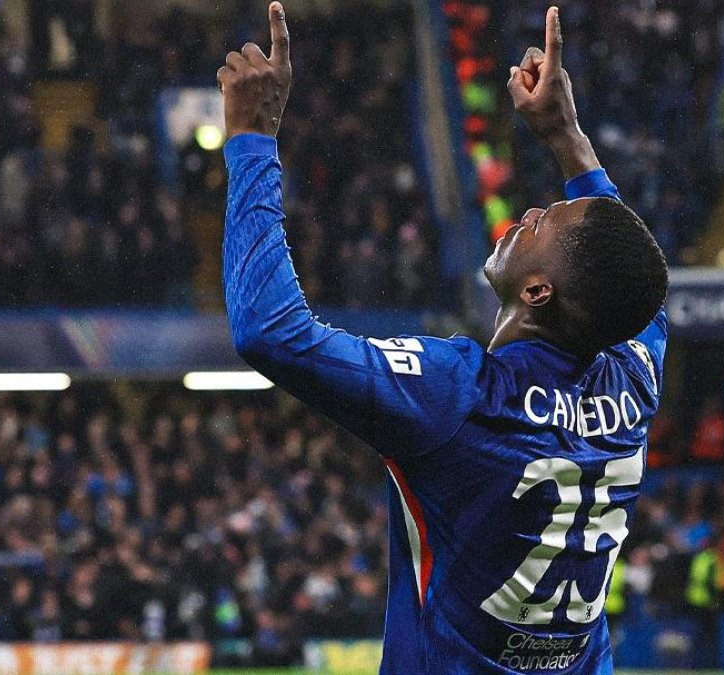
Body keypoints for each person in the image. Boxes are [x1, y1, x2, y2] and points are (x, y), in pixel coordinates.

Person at [217, 4, 669, 673]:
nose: (531, 210)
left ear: (539, 292)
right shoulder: (634, 380)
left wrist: (252, 141)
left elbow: (270, 331)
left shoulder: (460, 394)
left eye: (546, 221)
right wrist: (565, 136)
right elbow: (634, 278)